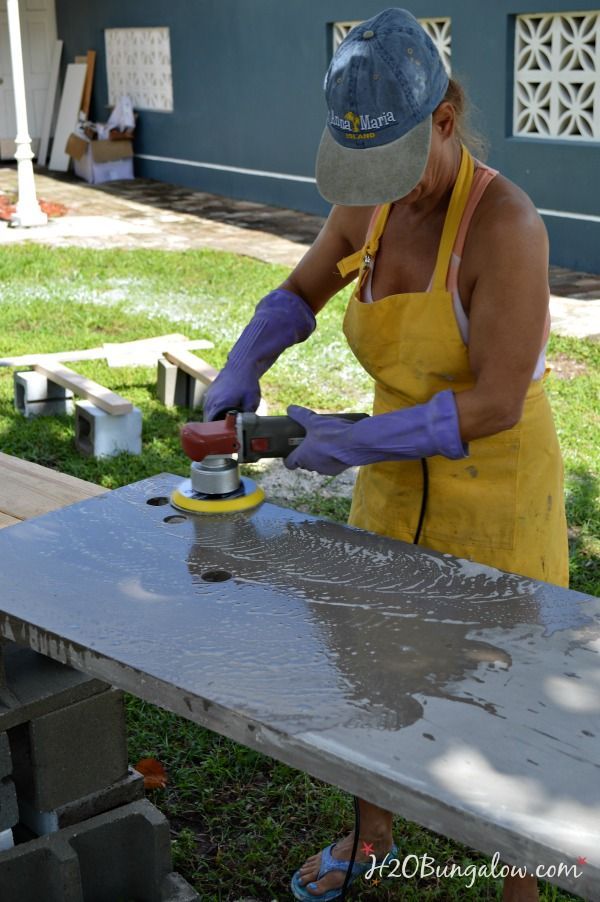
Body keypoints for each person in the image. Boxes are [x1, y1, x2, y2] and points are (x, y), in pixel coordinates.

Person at [203, 8, 569, 901]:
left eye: (401, 167)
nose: (389, 191)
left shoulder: (506, 228)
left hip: (496, 495)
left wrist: (348, 438)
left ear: (444, 118)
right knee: (368, 666)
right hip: (387, 477)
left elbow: (491, 400)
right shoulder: (368, 198)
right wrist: (246, 358)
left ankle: (520, 888)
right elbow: (303, 289)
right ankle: (370, 840)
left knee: (502, 702)